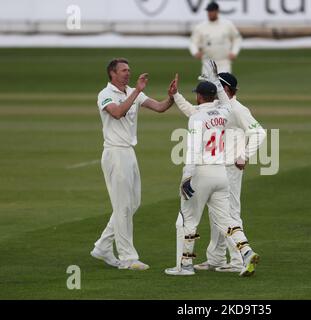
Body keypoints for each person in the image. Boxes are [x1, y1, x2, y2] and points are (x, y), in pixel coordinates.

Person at [164, 75, 260, 277]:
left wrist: (186, 177)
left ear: (199, 97)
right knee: (226, 219)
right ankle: (246, 252)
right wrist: (178, 95)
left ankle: (185, 266)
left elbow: (192, 149)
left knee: (187, 219)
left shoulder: (196, 118)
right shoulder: (224, 112)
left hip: (201, 171)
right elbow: (223, 102)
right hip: (221, 174)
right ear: (213, 95)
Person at [91, 58, 176, 270]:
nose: (128, 73)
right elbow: (117, 113)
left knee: (133, 203)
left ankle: (102, 246)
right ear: (112, 73)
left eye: (129, 70)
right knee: (122, 207)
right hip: (114, 153)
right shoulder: (105, 94)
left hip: (129, 153)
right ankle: (128, 259)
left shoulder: (132, 91)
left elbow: (159, 107)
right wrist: (136, 92)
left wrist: (172, 96)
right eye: (123, 70)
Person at [189, 1, 242, 74]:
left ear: (217, 11)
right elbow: (193, 41)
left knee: (223, 84)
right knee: (208, 85)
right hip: (208, 63)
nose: (210, 13)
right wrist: (195, 52)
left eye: (212, 11)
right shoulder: (200, 27)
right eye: (208, 11)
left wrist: (234, 52)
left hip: (224, 62)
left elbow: (237, 39)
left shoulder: (227, 25)